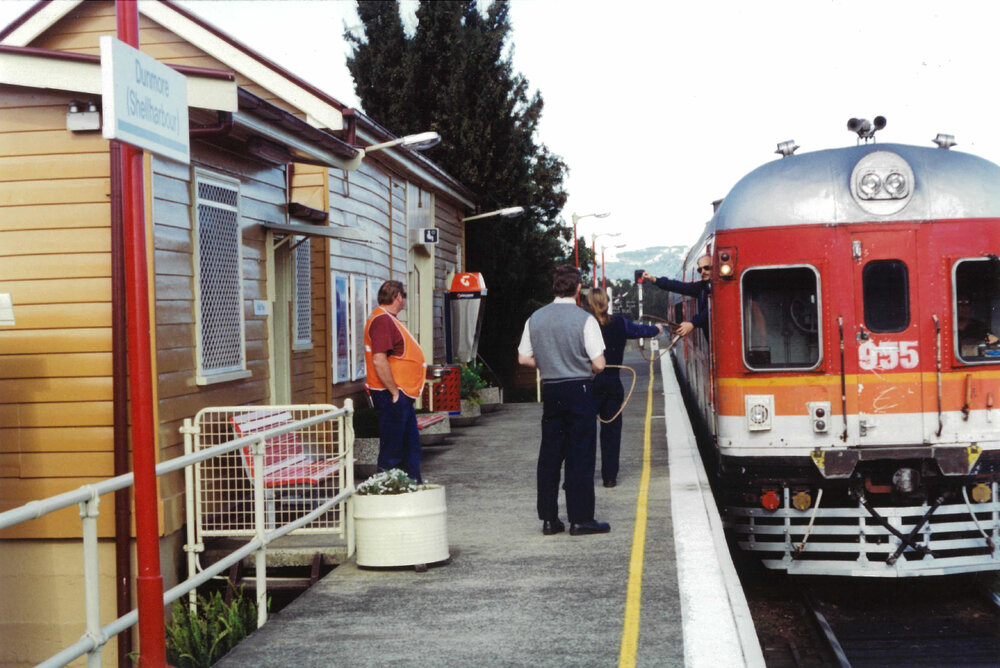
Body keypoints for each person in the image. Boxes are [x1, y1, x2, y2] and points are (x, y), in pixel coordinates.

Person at [517, 266, 609, 536]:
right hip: (579, 389)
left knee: (550, 455)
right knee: (580, 455)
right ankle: (580, 519)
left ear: (554, 287)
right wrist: (580, 366)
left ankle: (549, 519)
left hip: (552, 391)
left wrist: (548, 365)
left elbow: (523, 357)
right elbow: (599, 364)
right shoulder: (585, 320)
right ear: (578, 289)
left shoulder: (535, 318)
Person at [586, 290, 663, 488]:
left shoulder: (584, 324)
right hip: (613, 382)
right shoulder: (620, 323)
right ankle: (610, 477)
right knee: (611, 432)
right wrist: (656, 329)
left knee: (583, 432)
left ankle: (578, 476)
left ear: (588, 304)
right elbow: (639, 331)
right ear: (608, 302)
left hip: (589, 382)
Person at [364, 280, 426, 482]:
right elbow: (379, 359)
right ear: (398, 296)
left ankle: (411, 487)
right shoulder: (382, 320)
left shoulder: (388, 319)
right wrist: (394, 392)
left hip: (400, 394)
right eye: (405, 295)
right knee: (394, 449)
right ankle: (388, 490)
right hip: (392, 394)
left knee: (409, 446)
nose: (404, 299)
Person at [643, 254, 712, 338]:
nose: (703, 272)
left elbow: (712, 309)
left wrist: (693, 324)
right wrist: (654, 279)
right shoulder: (702, 287)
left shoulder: (719, 289)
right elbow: (678, 286)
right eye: (700, 270)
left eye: (707, 268)